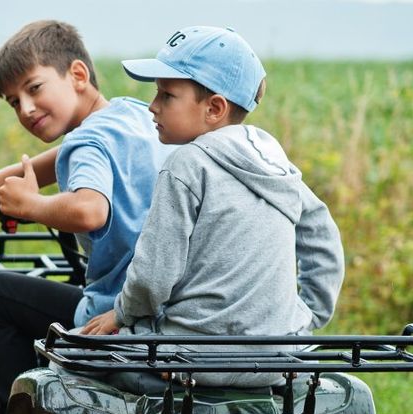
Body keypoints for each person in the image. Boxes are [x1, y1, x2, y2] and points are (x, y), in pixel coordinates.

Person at [0, 20, 173, 407]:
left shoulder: (86, 140)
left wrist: (34, 206)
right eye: (13, 101)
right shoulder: (137, 117)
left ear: (77, 74)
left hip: (116, 308)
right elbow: (23, 174)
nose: (25, 109)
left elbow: (89, 210)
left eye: (34, 88)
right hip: (169, 303)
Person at [89, 26, 345, 386]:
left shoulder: (187, 164)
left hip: (192, 356)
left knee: (71, 357)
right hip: (278, 356)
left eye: (166, 95)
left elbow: (153, 275)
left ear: (214, 109)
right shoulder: (273, 160)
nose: (153, 106)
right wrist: (307, 314)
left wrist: (120, 313)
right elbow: (321, 230)